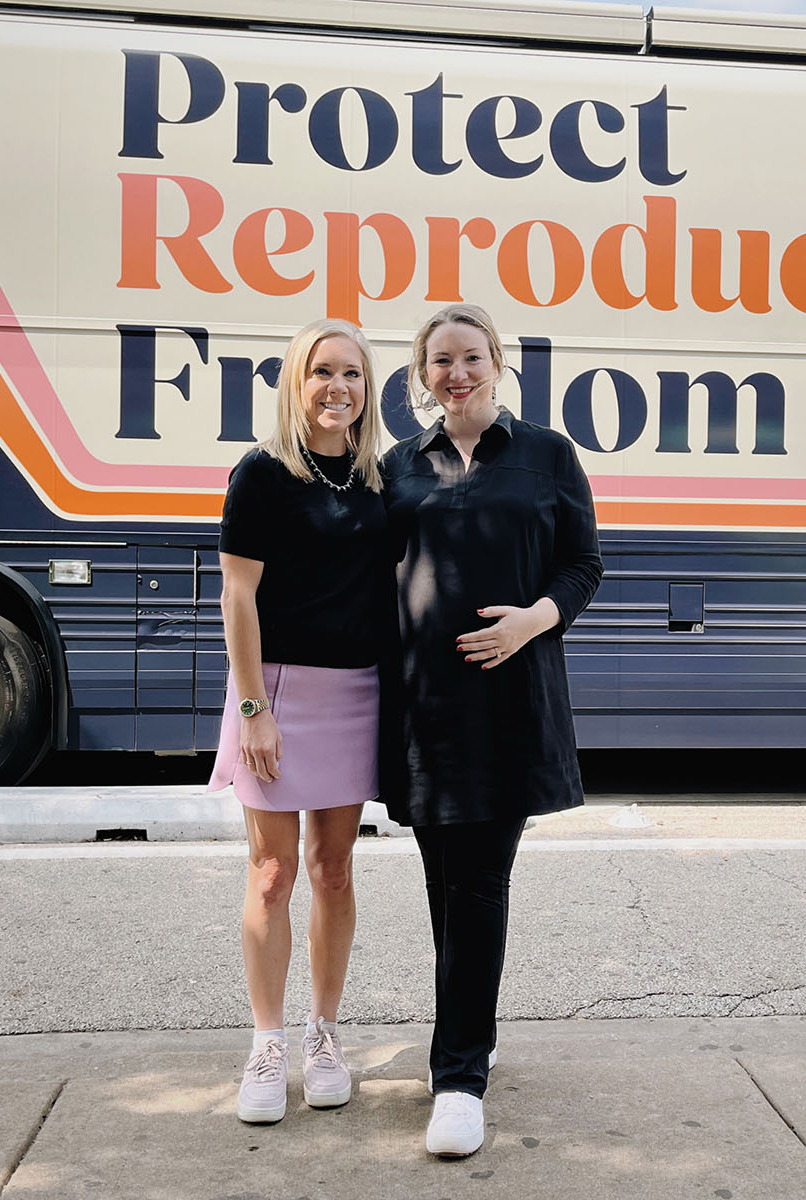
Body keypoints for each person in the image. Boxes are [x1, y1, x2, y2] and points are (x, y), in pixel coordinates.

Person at [379, 303, 605, 1157]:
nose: (456, 372)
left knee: (477, 884)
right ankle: (473, 1027)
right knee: (445, 888)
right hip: (423, 710)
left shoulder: (548, 455)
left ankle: (459, 1077)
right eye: (440, 360)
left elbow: (584, 563)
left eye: (471, 357)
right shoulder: (400, 466)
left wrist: (530, 622)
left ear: (498, 363)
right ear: (422, 374)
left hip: (510, 705)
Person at [210, 318, 386, 1124]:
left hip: (355, 691)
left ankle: (324, 1035)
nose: (337, 387)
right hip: (274, 694)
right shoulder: (262, 474)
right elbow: (238, 596)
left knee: (334, 871)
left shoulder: (382, 478)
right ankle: (267, 1043)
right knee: (272, 875)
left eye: (351, 373)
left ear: (367, 387)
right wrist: (254, 709)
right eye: (322, 372)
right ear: (296, 381)